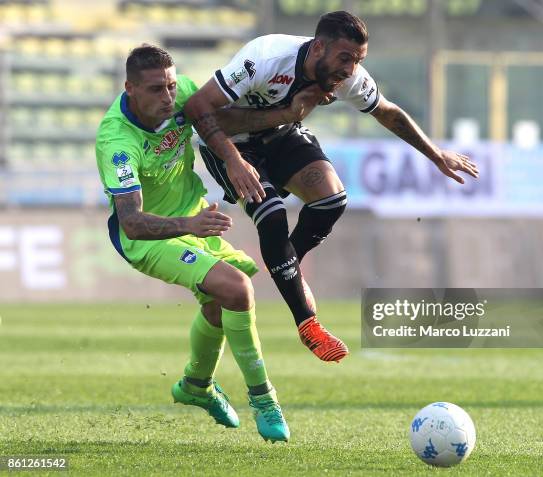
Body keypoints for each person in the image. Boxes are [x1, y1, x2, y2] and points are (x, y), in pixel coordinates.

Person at [183, 10, 480, 363]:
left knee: (332, 198)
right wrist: (234, 161)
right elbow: (199, 109)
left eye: (358, 60)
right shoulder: (265, 57)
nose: (351, 69)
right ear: (319, 48)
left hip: (281, 135)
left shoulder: (347, 76)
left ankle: (286, 265)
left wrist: (435, 154)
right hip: (229, 144)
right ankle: (308, 323)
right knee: (272, 213)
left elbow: (387, 111)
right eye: (345, 58)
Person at [94, 44, 319, 443]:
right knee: (237, 288)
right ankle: (264, 398)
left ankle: (196, 385)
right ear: (129, 88)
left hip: (193, 216)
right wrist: (190, 224)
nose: (168, 98)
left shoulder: (183, 92)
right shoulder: (116, 141)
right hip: (150, 237)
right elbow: (131, 222)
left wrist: (255, 142)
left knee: (218, 306)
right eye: (154, 90)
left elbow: (219, 124)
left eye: (169, 85)